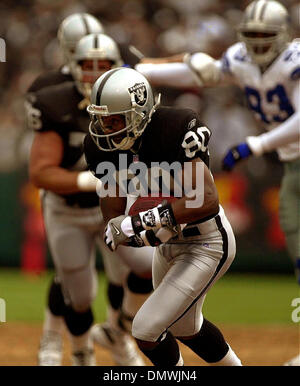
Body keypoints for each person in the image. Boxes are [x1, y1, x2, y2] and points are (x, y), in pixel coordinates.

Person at [135, 0, 300, 366]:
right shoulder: (241, 59)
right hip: (293, 164)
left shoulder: (294, 61)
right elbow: (201, 75)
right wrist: (142, 70)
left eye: (265, 35)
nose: (257, 42)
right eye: (252, 35)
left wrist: (255, 144)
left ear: (283, 35)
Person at [83, 67, 242, 366]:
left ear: (139, 112)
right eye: (102, 120)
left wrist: (141, 222)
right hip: (167, 246)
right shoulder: (101, 148)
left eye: (115, 119)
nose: (106, 129)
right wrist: (125, 231)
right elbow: (115, 217)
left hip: (206, 240)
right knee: (185, 327)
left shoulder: (176, 127)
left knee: (145, 329)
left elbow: (205, 200)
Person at [28, 32, 150, 366]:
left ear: (117, 66)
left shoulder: (130, 95)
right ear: (73, 66)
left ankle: (119, 331)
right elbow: (41, 173)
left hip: (112, 208)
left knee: (151, 265)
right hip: (67, 211)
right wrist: (92, 180)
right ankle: (81, 352)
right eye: (87, 65)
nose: (94, 72)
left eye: (103, 65)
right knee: (81, 297)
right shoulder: (55, 102)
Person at [25, 13, 104, 366]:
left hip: (110, 192)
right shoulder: (48, 90)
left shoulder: (118, 81)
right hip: (66, 188)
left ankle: (118, 334)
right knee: (68, 272)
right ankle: (52, 336)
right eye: (78, 52)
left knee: (129, 268)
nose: (89, 63)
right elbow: (43, 154)